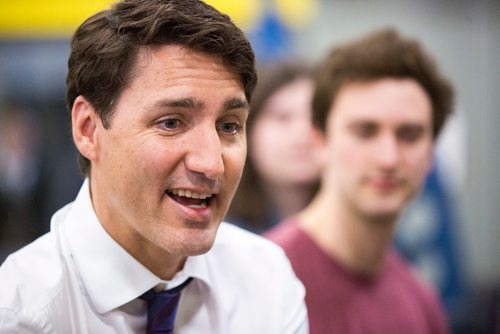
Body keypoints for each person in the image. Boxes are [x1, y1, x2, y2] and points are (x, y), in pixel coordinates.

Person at [0, 0, 308, 333]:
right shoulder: (22, 314)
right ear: (88, 129)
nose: (212, 163)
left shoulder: (266, 279)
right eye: (171, 123)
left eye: (229, 125)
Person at [265, 28, 453, 334]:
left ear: (430, 154)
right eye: (365, 131)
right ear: (319, 141)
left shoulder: (422, 303)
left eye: (409, 135)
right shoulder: (263, 279)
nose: (388, 158)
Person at [227, 62, 322, 233]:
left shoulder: (362, 229)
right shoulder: (223, 232)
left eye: (316, 118)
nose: (303, 132)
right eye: (283, 117)